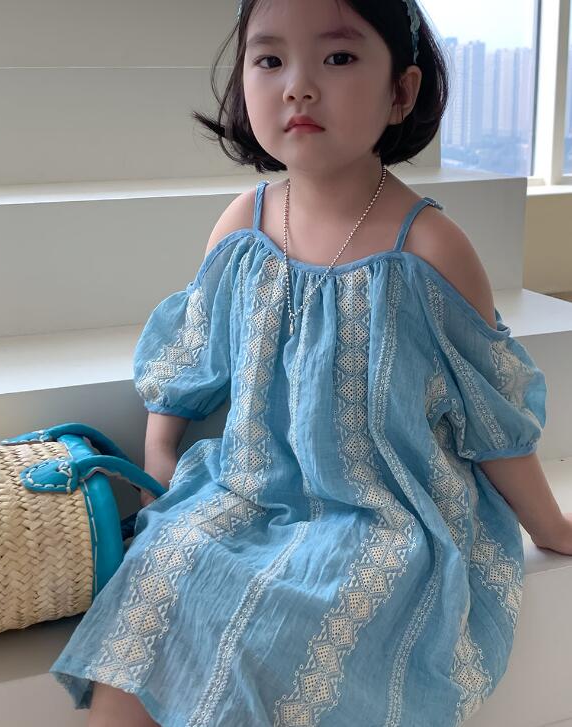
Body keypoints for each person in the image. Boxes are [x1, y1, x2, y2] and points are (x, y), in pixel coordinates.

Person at [49, 1, 572, 725]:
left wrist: (550, 527)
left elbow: (492, 419)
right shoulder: (244, 225)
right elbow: (190, 359)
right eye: (269, 60)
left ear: (401, 91)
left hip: (384, 515)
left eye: (338, 58)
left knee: (293, 621)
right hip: (247, 490)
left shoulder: (429, 250)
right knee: (155, 584)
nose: (297, 85)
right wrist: (161, 465)